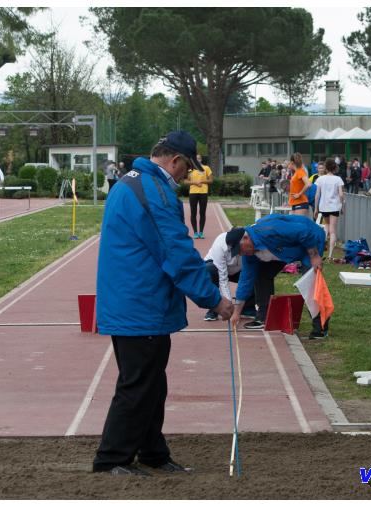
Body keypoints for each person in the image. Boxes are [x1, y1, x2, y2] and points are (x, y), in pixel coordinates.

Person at [93, 130, 234, 476]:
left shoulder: (131, 182)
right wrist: (213, 299)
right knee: (139, 384)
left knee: (152, 384)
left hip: (137, 300)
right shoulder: (153, 192)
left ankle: (152, 452)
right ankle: (111, 459)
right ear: (175, 160)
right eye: (187, 168)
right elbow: (177, 253)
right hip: (140, 304)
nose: (188, 176)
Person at [228, 214, 325, 330]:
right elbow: (245, 280)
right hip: (283, 251)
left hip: (310, 241)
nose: (240, 253)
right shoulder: (249, 254)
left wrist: (314, 256)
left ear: (246, 238)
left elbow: (304, 232)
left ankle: (320, 327)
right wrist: (236, 313)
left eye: (239, 249)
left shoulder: (269, 229)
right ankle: (264, 316)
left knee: (310, 283)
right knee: (261, 274)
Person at [203, 228, 257, 321]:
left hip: (238, 270)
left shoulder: (250, 241)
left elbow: (248, 273)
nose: (239, 252)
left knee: (255, 274)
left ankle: (247, 308)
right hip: (218, 269)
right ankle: (214, 307)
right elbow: (222, 278)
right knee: (210, 270)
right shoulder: (220, 244)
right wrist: (228, 304)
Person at [314, 158, 345, 260]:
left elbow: (317, 195)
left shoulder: (320, 179)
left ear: (326, 168)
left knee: (326, 226)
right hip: (335, 207)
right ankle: (330, 255)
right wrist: (342, 206)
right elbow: (341, 194)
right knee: (333, 231)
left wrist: (316, 208)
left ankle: (321, 250)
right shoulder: (338, 179)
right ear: (334, 168)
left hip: (324, 207)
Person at [186, 153, 213, 239]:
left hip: (203, 192)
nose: (197, 160)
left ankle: (201, 232)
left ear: (201, 159)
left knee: (202, 212)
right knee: (193, 213)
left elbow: (211, 180)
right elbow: (186, 181)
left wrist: (202, 181)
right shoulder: (190, 169)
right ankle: (195, 232)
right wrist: (195, 183)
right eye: (196, 158)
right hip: (193, 193)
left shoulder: (206, 168)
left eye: (199, 158)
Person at [288, 152, 311, 217]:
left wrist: (299, 194)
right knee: (293, 223)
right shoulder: (296, 172)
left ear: (292, 162)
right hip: (294, 203)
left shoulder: (300, 171)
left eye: (289, 163)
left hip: (301, 202)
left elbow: (308, 184)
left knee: (299, 223)